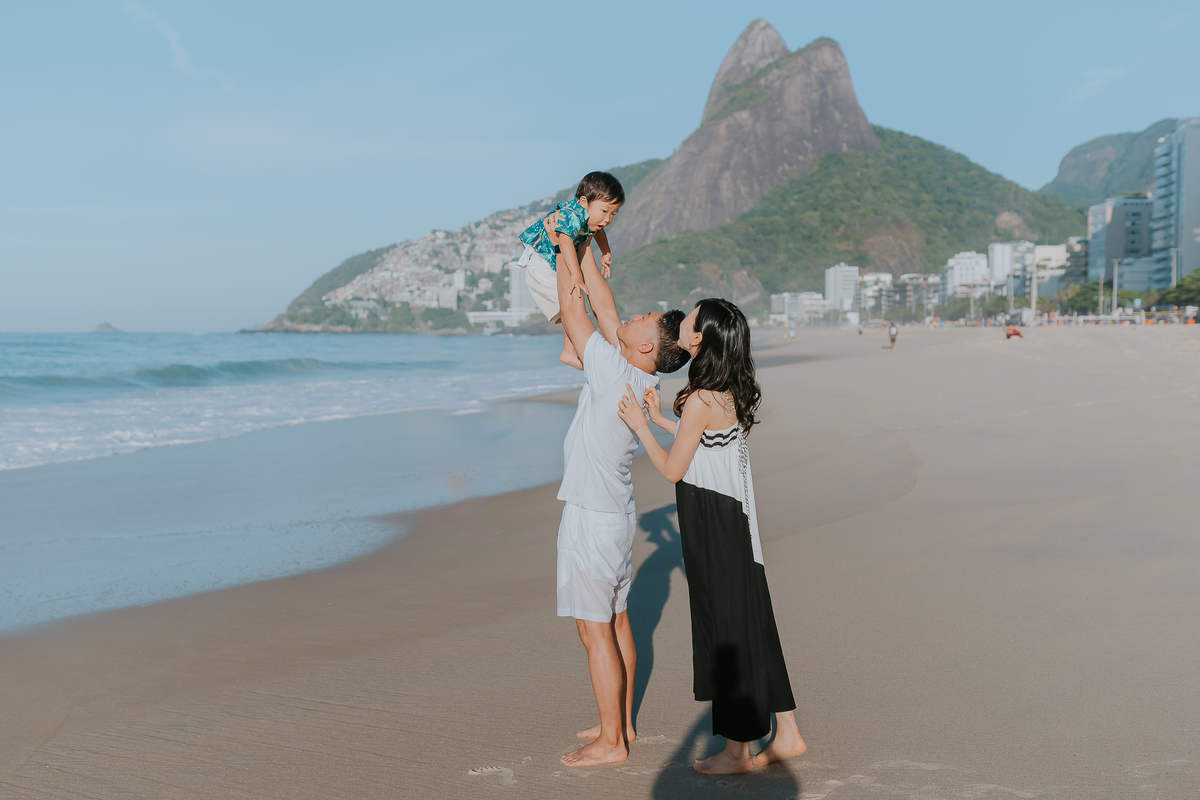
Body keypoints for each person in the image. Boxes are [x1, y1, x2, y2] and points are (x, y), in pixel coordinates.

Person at [616, 298, 807, 775]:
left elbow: (674, 469)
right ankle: (788, 732)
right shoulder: (725, 389)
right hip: (739, 520)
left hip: (715, 522)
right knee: (753, 623)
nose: (680, 320)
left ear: (698, 339)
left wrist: (641, 428)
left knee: (727, 631)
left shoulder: (701, 398)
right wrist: (662, 421)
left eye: (689, 317)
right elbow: (706, 443)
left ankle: (738, 750)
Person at [553, 232, 690, 767]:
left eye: (645, 317)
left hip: (592, 515)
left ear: (647, 346)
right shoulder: (631, 369)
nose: (633, 316)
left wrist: (564, 252)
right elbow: (603, 304)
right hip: (615, 512)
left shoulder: (614, 368)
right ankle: (623, 722)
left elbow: (575, 307)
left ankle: (611, 743)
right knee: (617, 619)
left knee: (595, 629)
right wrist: (583, 241)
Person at [517, 171, 623, 369]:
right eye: (604, 211)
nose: (608, 219)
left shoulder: (590, 217)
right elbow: (564, 241)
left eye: (613, 214)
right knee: (573, 307)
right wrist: (576, 274)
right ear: (584, 201)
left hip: (552, 266)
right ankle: (569, 351)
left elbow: (598, 230)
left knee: (575, 307)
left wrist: (606, 252)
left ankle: (569, 350)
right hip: (541, 266)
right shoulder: (571, 214)